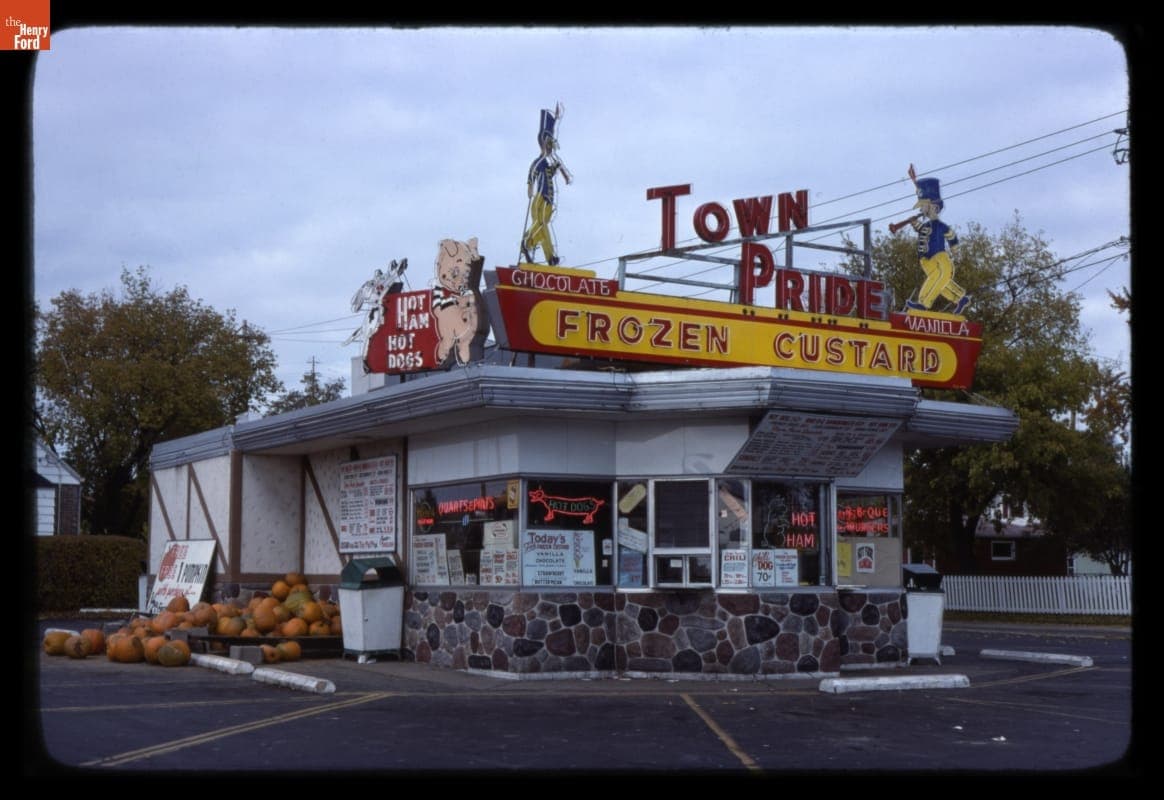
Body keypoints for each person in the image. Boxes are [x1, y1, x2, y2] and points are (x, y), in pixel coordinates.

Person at [905, 176, 970, 315]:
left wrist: (955, 249)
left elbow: (951, 236)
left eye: (923, 205)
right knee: (940, 283)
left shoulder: (940, 226)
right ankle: (960, 298)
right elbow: (922, 230)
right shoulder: (926, 226)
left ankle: (924, 303)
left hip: (940, 257)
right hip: (926, 260)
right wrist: (914, 224)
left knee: (938, 279)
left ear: (934, 207)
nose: (921, 209)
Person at [521, 104, 572, 266]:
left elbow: (553, 170)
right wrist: (530, 185)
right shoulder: (541, 160)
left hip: (549, 199)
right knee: (541, 224)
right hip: (541, 197)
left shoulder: (549, 162)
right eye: (548, 143)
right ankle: (527, 243)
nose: (551, 147)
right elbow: (533, 170)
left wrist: (560, 172)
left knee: (544, 228)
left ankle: (550, 257)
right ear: (544, 143)